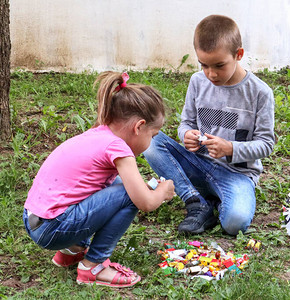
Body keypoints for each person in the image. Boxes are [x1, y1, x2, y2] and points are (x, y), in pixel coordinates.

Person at [23, 71, 175, 288]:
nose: (151, 142)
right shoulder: (118, 147)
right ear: (139, 126)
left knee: (114, 186)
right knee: (128, 194)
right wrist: (163, 191)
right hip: (53, 228)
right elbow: (145, 202)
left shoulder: (97, 133)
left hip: (35, 219)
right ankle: (93, 267)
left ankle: (71, 250)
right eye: (152, 135)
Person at [143, 15, 275, 236]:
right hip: (198, 165)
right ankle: (196, 201)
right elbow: (186, 123)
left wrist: (231, 148)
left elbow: (266, 144)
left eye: (219, 65)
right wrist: (187, 134)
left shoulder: (260, 93)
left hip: (237, 175)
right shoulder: (197, 82)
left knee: (235, 223)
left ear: (238, 54)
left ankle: (218, 200)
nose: (211, 74)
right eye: (204, 65)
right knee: (150, 140)